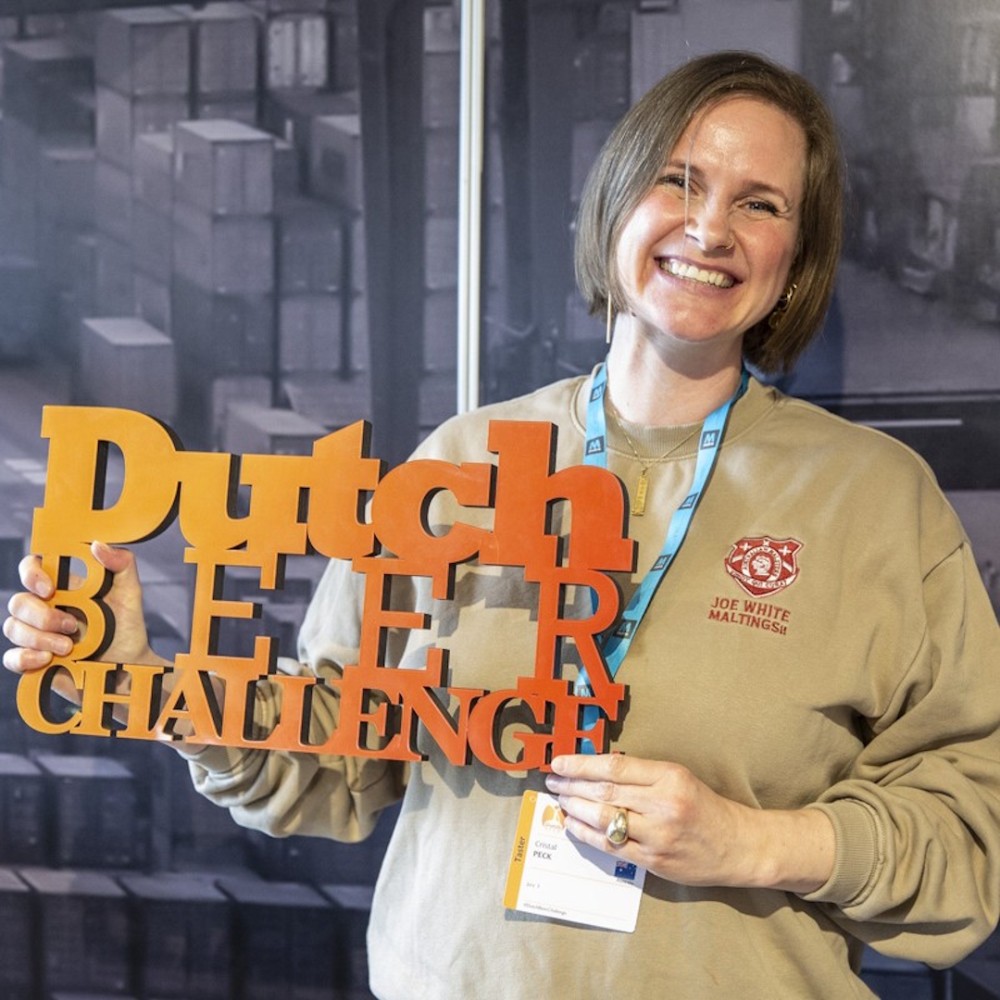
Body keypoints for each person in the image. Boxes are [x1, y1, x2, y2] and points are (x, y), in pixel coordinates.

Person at [5, 51, 1000, 998]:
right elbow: (330, 758)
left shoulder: (872, 501)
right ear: (616, 201)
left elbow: (970, 838)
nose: (709, 228)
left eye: (760, 203)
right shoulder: (462, 461)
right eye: (679, 180)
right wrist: (145, 682)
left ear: (797, 257)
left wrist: (749, 842)